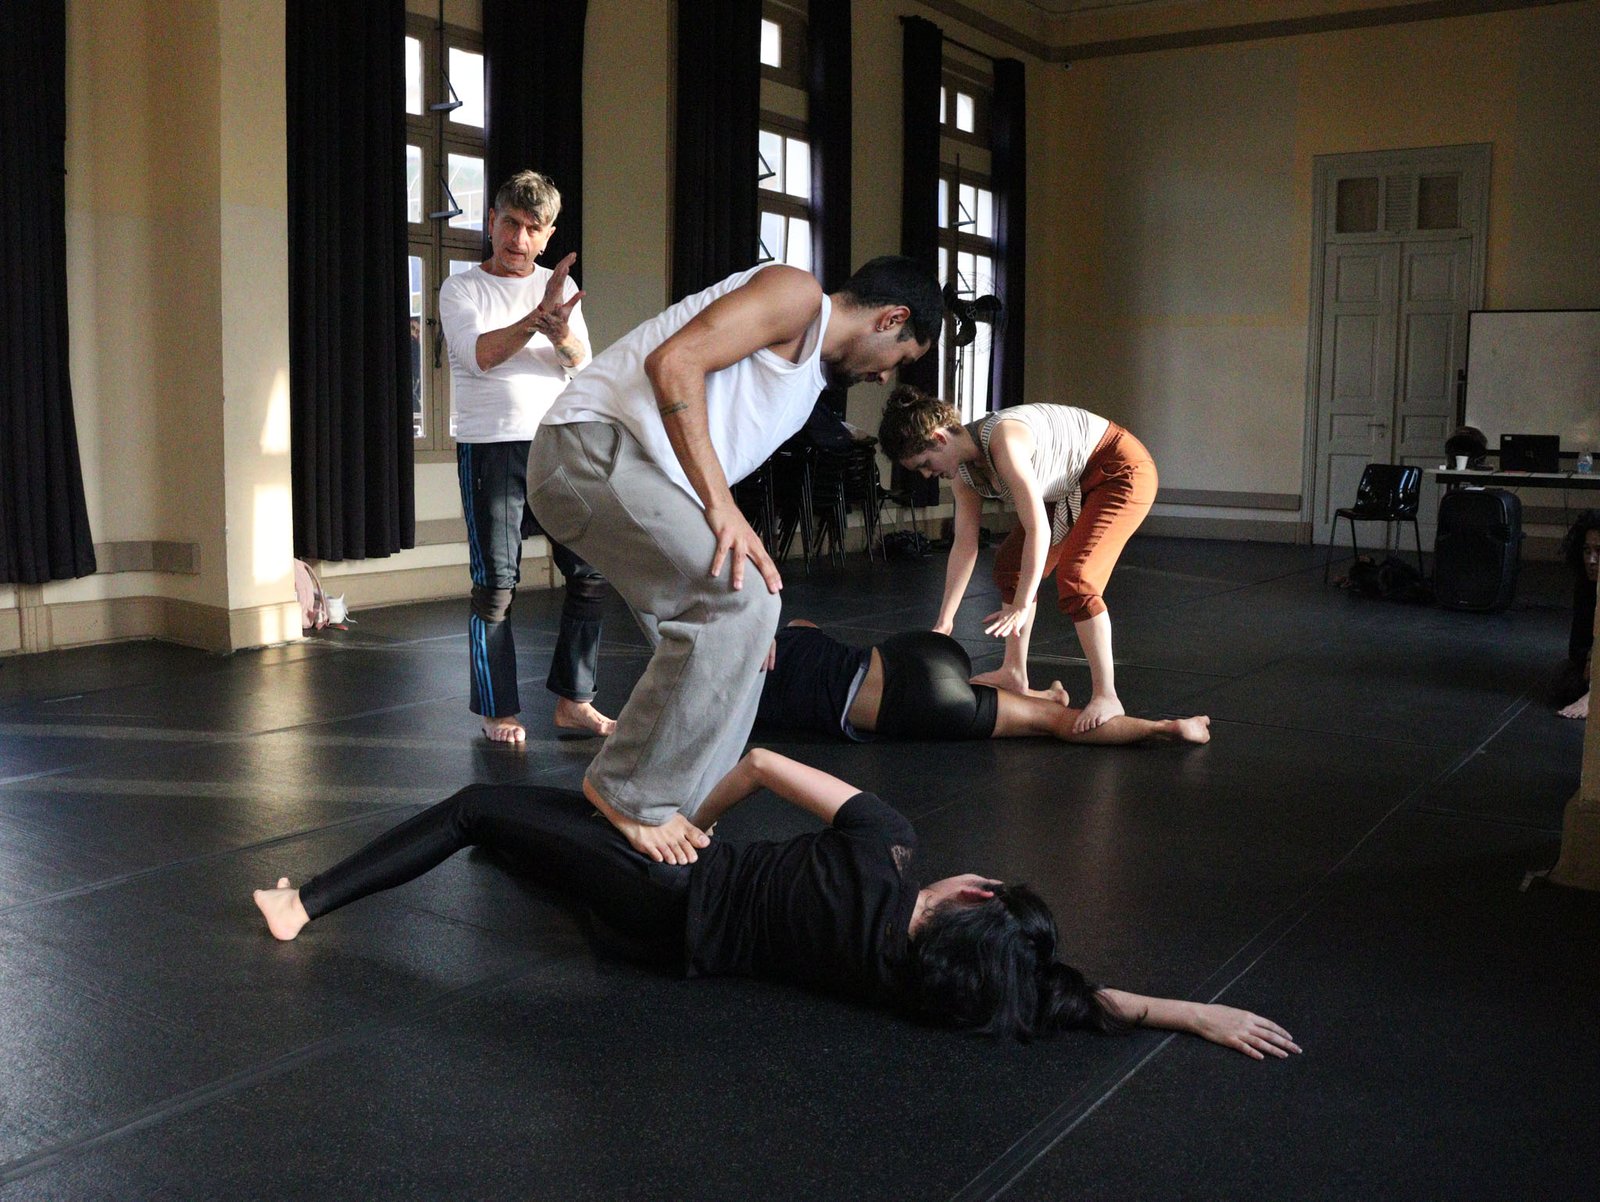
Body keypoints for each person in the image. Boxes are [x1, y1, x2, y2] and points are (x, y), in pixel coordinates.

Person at [252, 749, 1298, 1059]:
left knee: (484, 804)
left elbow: (756, 760)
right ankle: (557, 855)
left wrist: (673, 817)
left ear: (974, 891)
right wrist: (1186, 1010)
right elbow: (1059, 995)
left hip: (667, 882)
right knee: (544, 853)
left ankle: (307, 901)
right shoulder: (916, 981)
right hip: (669, 947)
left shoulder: (884, 838)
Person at [528, 256, 943, 864]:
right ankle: (626, 792)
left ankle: (679, 821)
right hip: (588, 449)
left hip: (634, 472)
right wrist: (724, 513)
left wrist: (746, 609)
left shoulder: (805, 392)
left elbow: (703, 449)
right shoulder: (797, 295)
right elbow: (673, 364)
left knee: (750, 631)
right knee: (741, 601)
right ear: (891, 319)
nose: (886, 378)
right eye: (901, 359)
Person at [438, 170, 615, 744]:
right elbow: (481, 354)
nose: (517, 239)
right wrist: (536, 318)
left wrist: (560, 330)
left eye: (531, 229)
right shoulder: (461, 288)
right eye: (509, 224)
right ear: (492, 222)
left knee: (589, 574)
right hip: (491, 446)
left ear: (547, 235)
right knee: (496, 583)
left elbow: (580, 363)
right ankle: (497, 710)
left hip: (560, 445)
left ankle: (574, 700)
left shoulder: (560, 290)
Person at [879, 387, 1158, 734]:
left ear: (939, 438)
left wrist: (1023, 603)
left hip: (1119, 469)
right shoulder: (966, 477)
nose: (925, 474)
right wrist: (944, 623)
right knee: (1012, 565)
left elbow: (1037, 526)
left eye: (924, 464)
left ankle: (1107, 694)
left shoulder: (1004, 441)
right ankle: (1015, 672)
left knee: (1077, 577)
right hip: (1068, 485)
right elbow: (964, 545)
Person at [759, 620, 1210, 747]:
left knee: (1049, 723)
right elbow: (802, 620)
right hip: (915, 653)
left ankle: (1165, 729)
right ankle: (1034, 691)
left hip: (914, 704)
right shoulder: (790, 635)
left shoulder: (750, 697)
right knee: (973, 692)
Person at [1557, 510, 1598, 720]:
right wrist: (1589, 657)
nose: (1592, 560)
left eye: (1599, 551)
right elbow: (1577, 644)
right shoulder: (1585, 587)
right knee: (1568, 685)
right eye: (1586, 550)